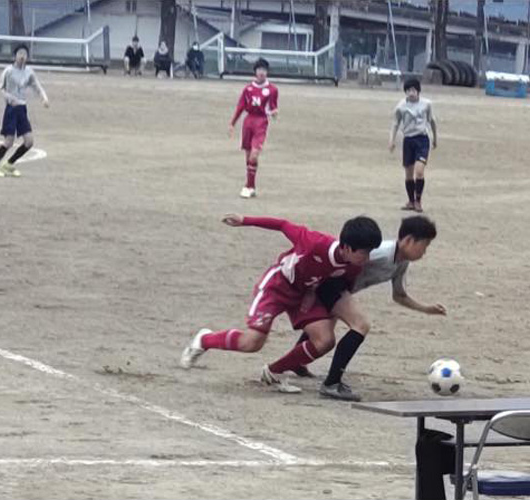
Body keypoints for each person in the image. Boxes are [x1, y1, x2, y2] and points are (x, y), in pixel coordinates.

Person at [180, 214, 382, 392]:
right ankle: (205, 339)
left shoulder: (354, 266)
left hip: (303, 294)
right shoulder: (315, 243)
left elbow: (335, 283)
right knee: (251, 343)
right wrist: (244, 220)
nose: (367, 257)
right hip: (277, 287)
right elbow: (283, 225)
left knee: (325, 340)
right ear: (346, 247)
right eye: (364, 252)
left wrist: (314, 297)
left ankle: (273, 372)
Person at [287, 216, 444, 401]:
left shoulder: (401, 262)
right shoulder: (380, 252)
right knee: (360, 325)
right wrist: (311, 288)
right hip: (330, 285)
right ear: (408, 240)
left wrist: (426, 309)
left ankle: (296, 363)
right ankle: (332, 383)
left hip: (340, 289)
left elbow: (399, 295)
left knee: (326, 325)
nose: (424, 252)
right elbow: (343, 256)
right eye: (424, 246)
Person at [0, 44, 49, 178]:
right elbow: (0, 88)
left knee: (29, 142)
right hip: (11, 109)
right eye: (19, 53)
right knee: (8, 141)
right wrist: (9, 98)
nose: (22, 56)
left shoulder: (29, 72)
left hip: (22, 109)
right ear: (14, 56)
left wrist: (44, 98)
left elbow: (37, 86)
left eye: (24, 54)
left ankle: (9, 164)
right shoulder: (8, 71)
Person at [229, 58, 278, 199]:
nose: (261, 73)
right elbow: (240, 107)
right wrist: (232, 123)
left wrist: (274, 113)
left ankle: (248, 186)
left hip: (261, 122)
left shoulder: (272, 90)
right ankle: (251, 186)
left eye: (264, 70)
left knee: (254, 154)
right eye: (259, 70)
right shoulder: (248, 89)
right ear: (255, 72)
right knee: (248, 156)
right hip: (248, 122)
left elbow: (273, 107)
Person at [389, 78, 437, 213]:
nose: (411, 93)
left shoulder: (426, 104)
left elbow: (432, 121)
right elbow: (395, 124)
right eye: (408, 90)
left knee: (419, 171)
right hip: (408, 140)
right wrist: (391, 140)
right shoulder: (401, 107)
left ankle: (418, 201)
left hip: (422, 140)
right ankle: (410, 201)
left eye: (414, 90)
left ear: (418, 91)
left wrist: (435, 138)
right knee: (409, 174)